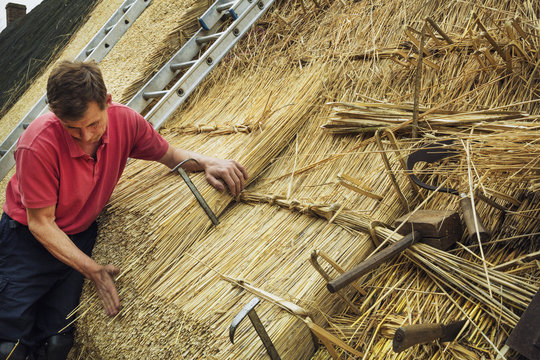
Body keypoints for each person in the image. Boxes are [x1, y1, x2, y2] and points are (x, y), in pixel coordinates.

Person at [0, 60, 248, 360]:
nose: (87, 136)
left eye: (93, 124)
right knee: (10, 346)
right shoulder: (37, 144)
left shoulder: (126, 122)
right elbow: (41, 223)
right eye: (73, 130)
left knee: (57, 343)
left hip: (78, 236)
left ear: (107, 102)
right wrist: (91, 269)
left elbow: (169, 155)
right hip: (25, 242)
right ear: (56, 115)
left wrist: (208, 161)